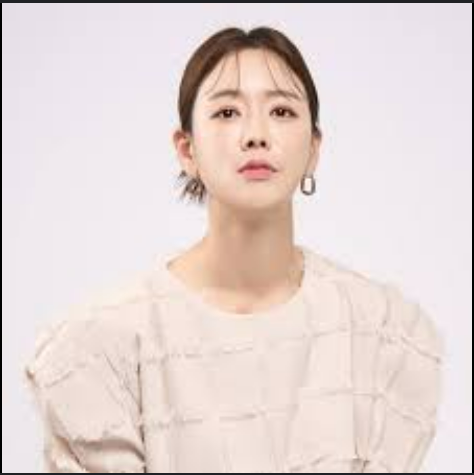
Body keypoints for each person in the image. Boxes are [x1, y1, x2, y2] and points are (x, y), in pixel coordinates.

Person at [25, 26, 443, 473]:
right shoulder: (106, 344)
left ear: (313, 149)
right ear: (187, 150)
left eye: (281, 110)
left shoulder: (382, 333)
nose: (256, 135)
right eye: (227, 112)